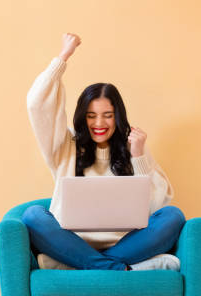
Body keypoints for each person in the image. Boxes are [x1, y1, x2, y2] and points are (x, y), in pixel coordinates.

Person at [22, 33, 185, 271]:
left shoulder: (134, 146)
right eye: (91, 115)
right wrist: (63, 57)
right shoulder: (65, 145)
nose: (99, 123)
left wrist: (138, 156)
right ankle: (119, 269)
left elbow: (158, 205)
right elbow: (37, 105)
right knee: (33, 216)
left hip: (127, 244)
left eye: (107, 115)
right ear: (82, 117)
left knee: (173, 216)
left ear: (117, 116)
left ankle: (80, 266)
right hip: (71, 242)